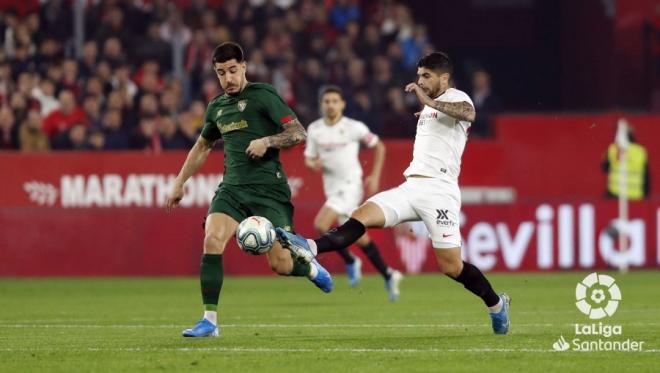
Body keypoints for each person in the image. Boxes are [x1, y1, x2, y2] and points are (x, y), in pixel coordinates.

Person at [277, 52, 511, 335]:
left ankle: (497, 304)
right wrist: (428, 107)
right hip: (411, 186)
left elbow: (469, 114)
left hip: (440, 191)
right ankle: (309, 247)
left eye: (426, 76)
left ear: (444, 78)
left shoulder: (457, 98)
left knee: (451, 266)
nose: (420, 81)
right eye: (419, 75)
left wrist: (430, 103)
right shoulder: (430, 107)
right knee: (361, 215)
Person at [165, 42, 333, 338]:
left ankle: (308, 267)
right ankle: (209, 321)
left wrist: (267, 142)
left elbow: (298, 132)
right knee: (213, 240)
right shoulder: (217, 107)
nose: (227, 78)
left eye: (232, 70)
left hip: (269, 191)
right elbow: (203, 145)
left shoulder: (263, 95)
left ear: (244, 66)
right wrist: (180, 182)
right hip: (232, 190)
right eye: (220, 73)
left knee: (281, 265)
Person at [305, 85, 403, 301]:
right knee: (357, 234)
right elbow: (309, 158)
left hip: (351, 185)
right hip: (332, 189)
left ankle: (350, 261)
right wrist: (313, 164)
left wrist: (375, 176)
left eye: (334, 101)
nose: (330, 105)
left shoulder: (353, 127)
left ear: (342, 104)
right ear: (321, 104)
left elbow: (379, 147)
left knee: (322, 224)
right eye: (326, 101)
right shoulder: (314, 129)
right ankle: (388, 273)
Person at [602, 127, 650, 200]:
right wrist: (646, 195)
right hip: (636, 195)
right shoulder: (640, 151)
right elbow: (646, 175)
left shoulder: (613, 149)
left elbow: (604, 168)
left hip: (615, 194)